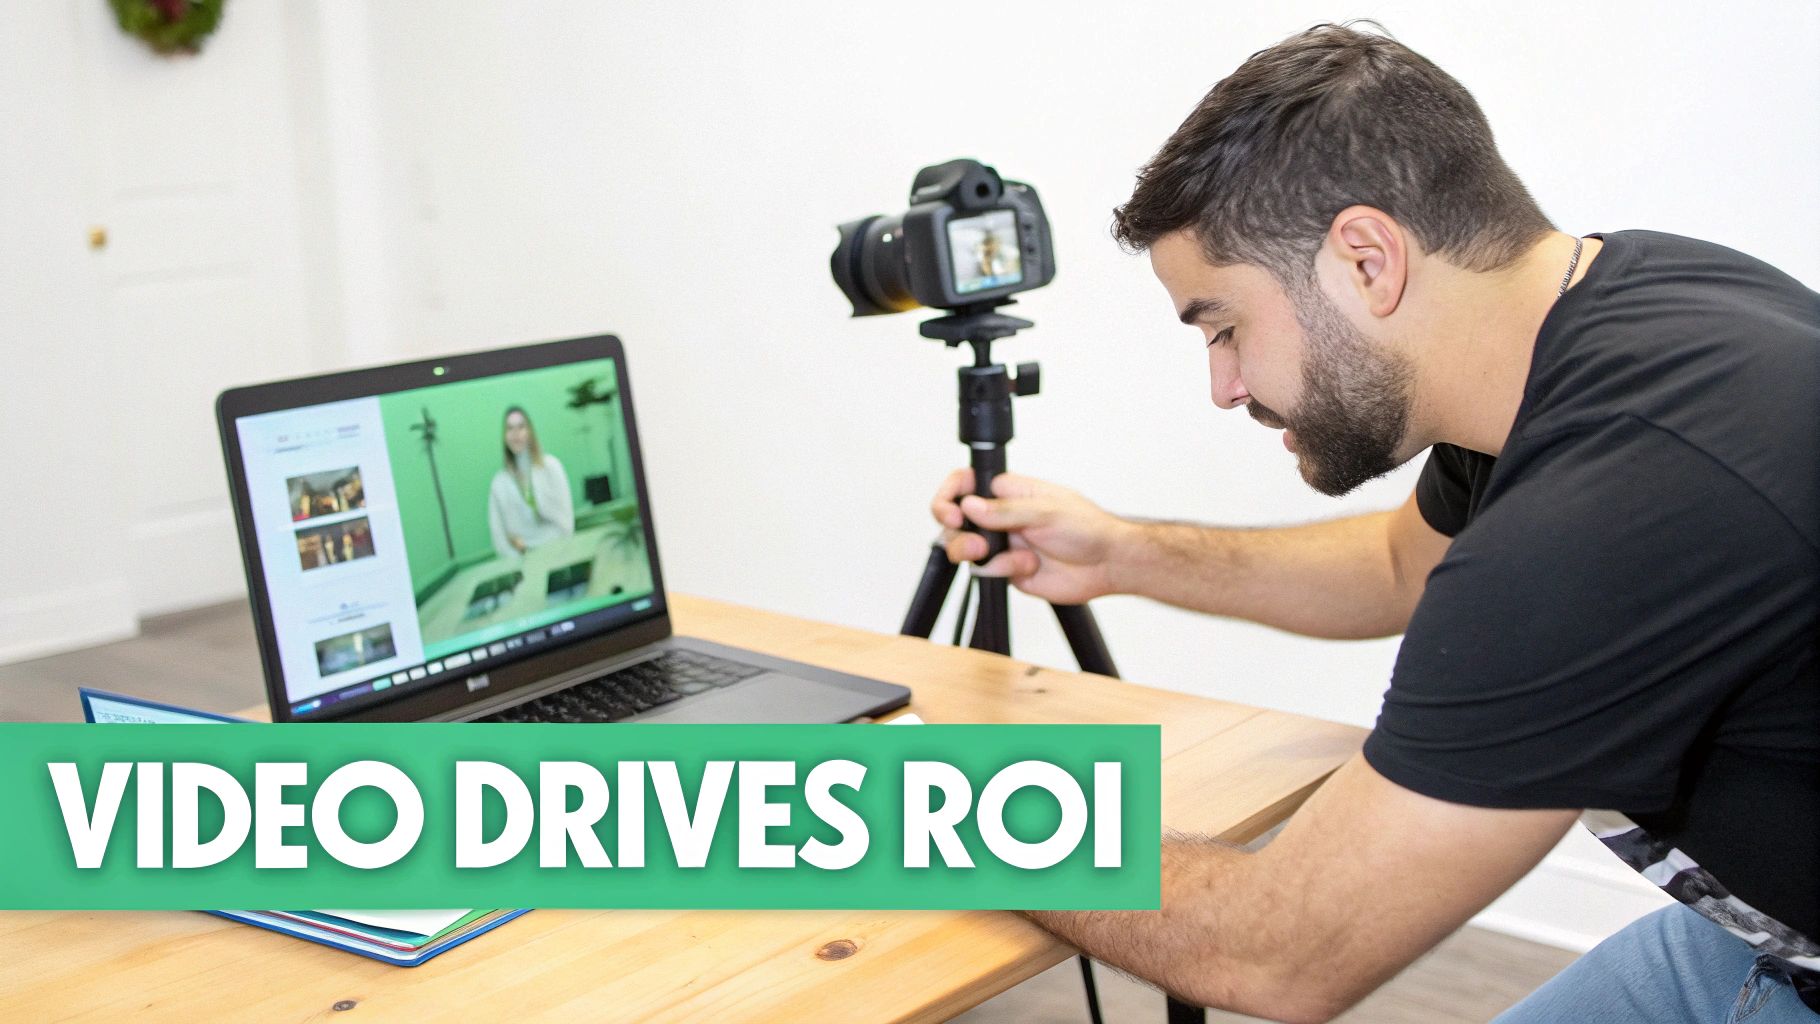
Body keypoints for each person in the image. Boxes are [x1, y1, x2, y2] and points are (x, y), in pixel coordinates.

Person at [928, 23, 1820, 1024]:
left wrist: (943, 813)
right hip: (1756, 939)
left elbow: (1275, 952)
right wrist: (1123, 552)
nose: (1222, 386)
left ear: (1364, 259)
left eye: (1223, 326)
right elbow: (1400, 565)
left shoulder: (1614, 508)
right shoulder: (1622, 310)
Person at [488, 405, 574, 560]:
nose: (516, 434)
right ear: (504, 436)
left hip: (558, 552)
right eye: (510, 428)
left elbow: (567, 520)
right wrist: (517, 560)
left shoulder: (551, 467)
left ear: (530, 431)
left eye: (521, 427)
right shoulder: (499, 483)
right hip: (523, 560)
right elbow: (498, 535)